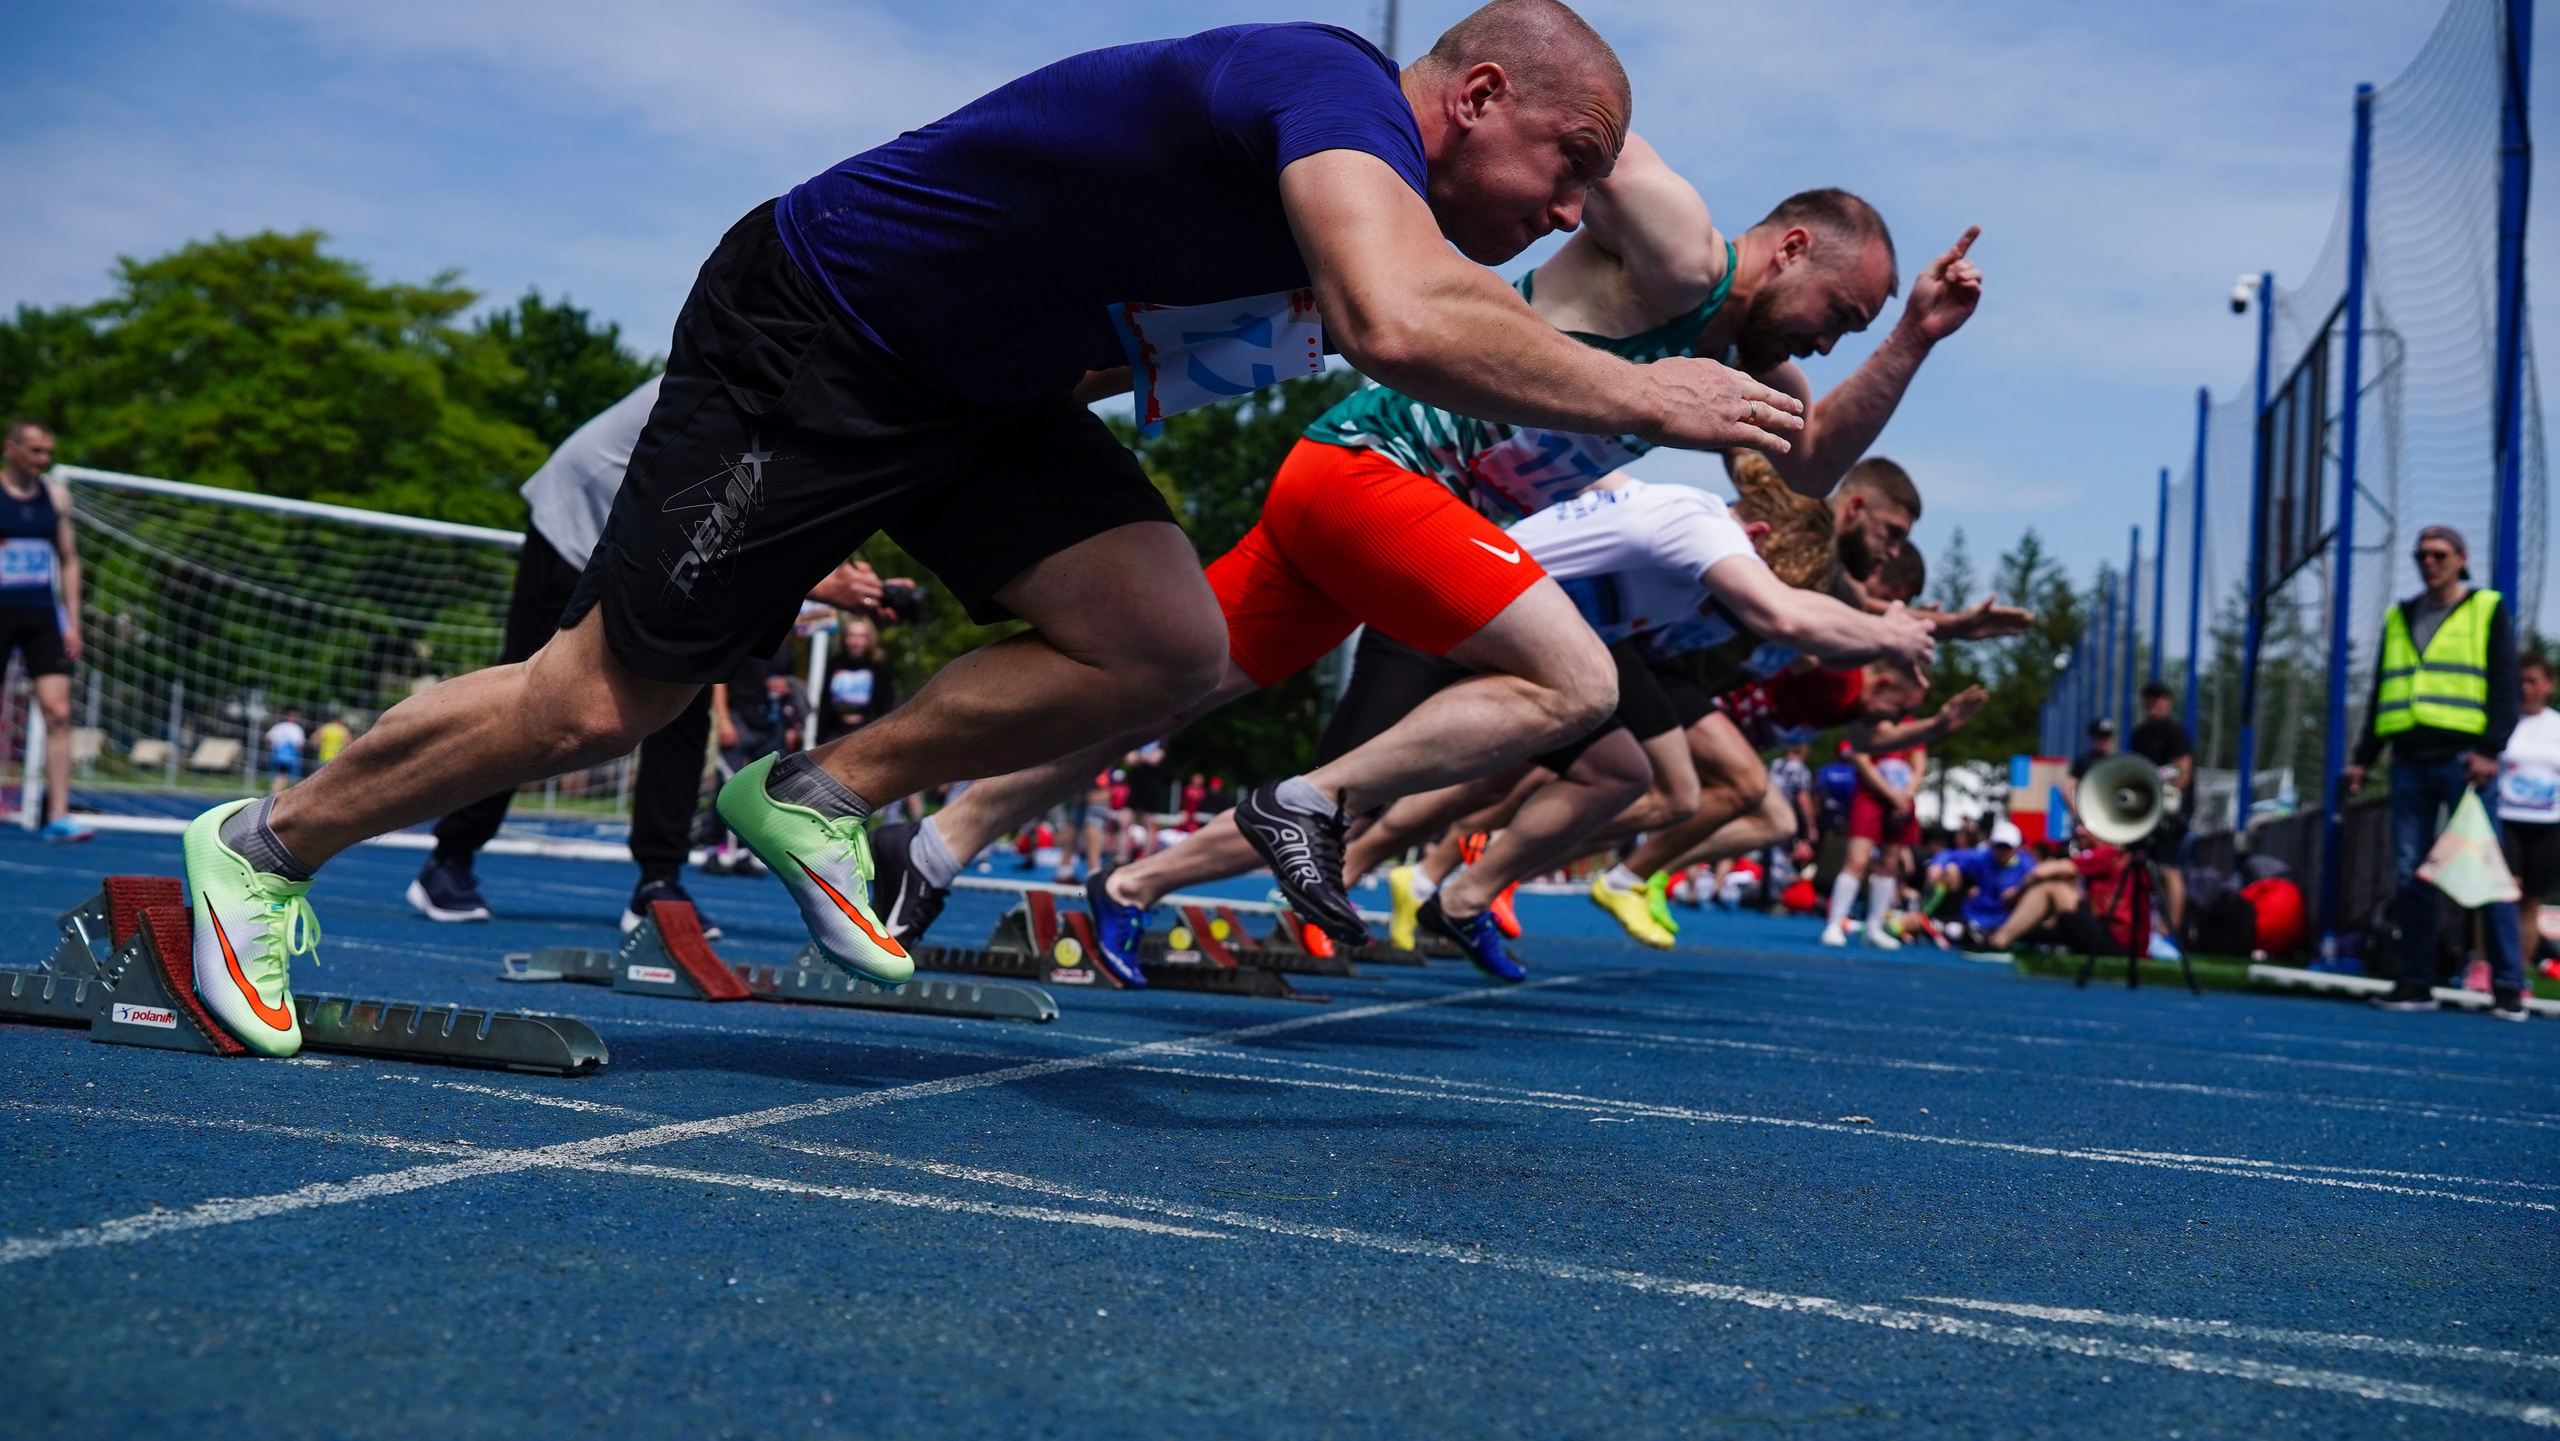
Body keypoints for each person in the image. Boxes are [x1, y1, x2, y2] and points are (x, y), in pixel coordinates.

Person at [182, 2, 1833, 1056]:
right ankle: (261, 849)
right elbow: (1409, 326)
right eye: (1569, 164)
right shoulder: (1327, 90)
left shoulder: (1371, 216)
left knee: (1167, 643)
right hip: (822, 334)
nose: (1569, 210)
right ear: (1476, 93)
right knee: (602, 700)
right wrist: (1655, 398)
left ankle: (828, 794)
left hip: (975, 397)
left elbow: (1413, 329)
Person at [404, 376, 879, 928]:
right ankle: (449, 858)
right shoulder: (777, 377)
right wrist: (823, 584)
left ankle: (659, 881)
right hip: (585, 515)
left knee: (680, 701)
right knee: (529, 701)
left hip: (668, 527)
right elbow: (739, 506)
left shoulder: (835, 406)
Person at [2342, 524, 2526, 1020]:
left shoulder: (2485, 609)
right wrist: (2363, 757)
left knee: (2486, 870)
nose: (2429, 562)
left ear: (2461, 558)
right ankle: (2415, 982)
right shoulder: (2399, 616)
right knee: (2410, 875)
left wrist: (2490, 749)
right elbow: (2384, 691)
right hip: (2408, 762)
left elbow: (2505, 690)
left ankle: (2509, 986)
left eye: (2439, 554)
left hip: (2466, 763)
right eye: (2421, 554)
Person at [0, 420, 91, 843]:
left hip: (41, 615)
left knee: (58, 712)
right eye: (35, 451)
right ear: (11, 449)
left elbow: (69, 560)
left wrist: (72, 619)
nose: (44, 459)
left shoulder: (55, 496)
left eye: (48, 451)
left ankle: (58, 813)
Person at [2496, 650, 2559, 983]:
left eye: (2533, 681)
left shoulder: (2556, 727)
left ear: (2548, 685)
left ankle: (2517, 974)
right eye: (2520, 681)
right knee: (2500, 893)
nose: (2526, 688)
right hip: (2505, 820)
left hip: (2544, 826)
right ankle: (2484, 965)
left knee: (2530, 902)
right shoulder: (2503, 722)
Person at [2127, 680, 2195, 932]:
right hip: (2145, 809)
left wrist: (2167, 797)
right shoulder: (2140, 733)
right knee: (2139, 865)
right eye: (2149, 697)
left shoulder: (2174, 731)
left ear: (2167, 701)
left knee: (2169, 869)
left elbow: (2182, 772)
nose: (2153, 702)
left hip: (2170, 811)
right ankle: (2141, 923)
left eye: (2158, 697)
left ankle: (2170, 930)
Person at [264, 709, 307, 794]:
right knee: (283, 774)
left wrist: (273, 746)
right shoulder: (295, 729)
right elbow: (300, 744)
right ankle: (274, 790)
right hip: (287, 756)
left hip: (279, 755)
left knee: (281, 774)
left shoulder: (280, 726)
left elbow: (268, 738)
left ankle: (274, 789)